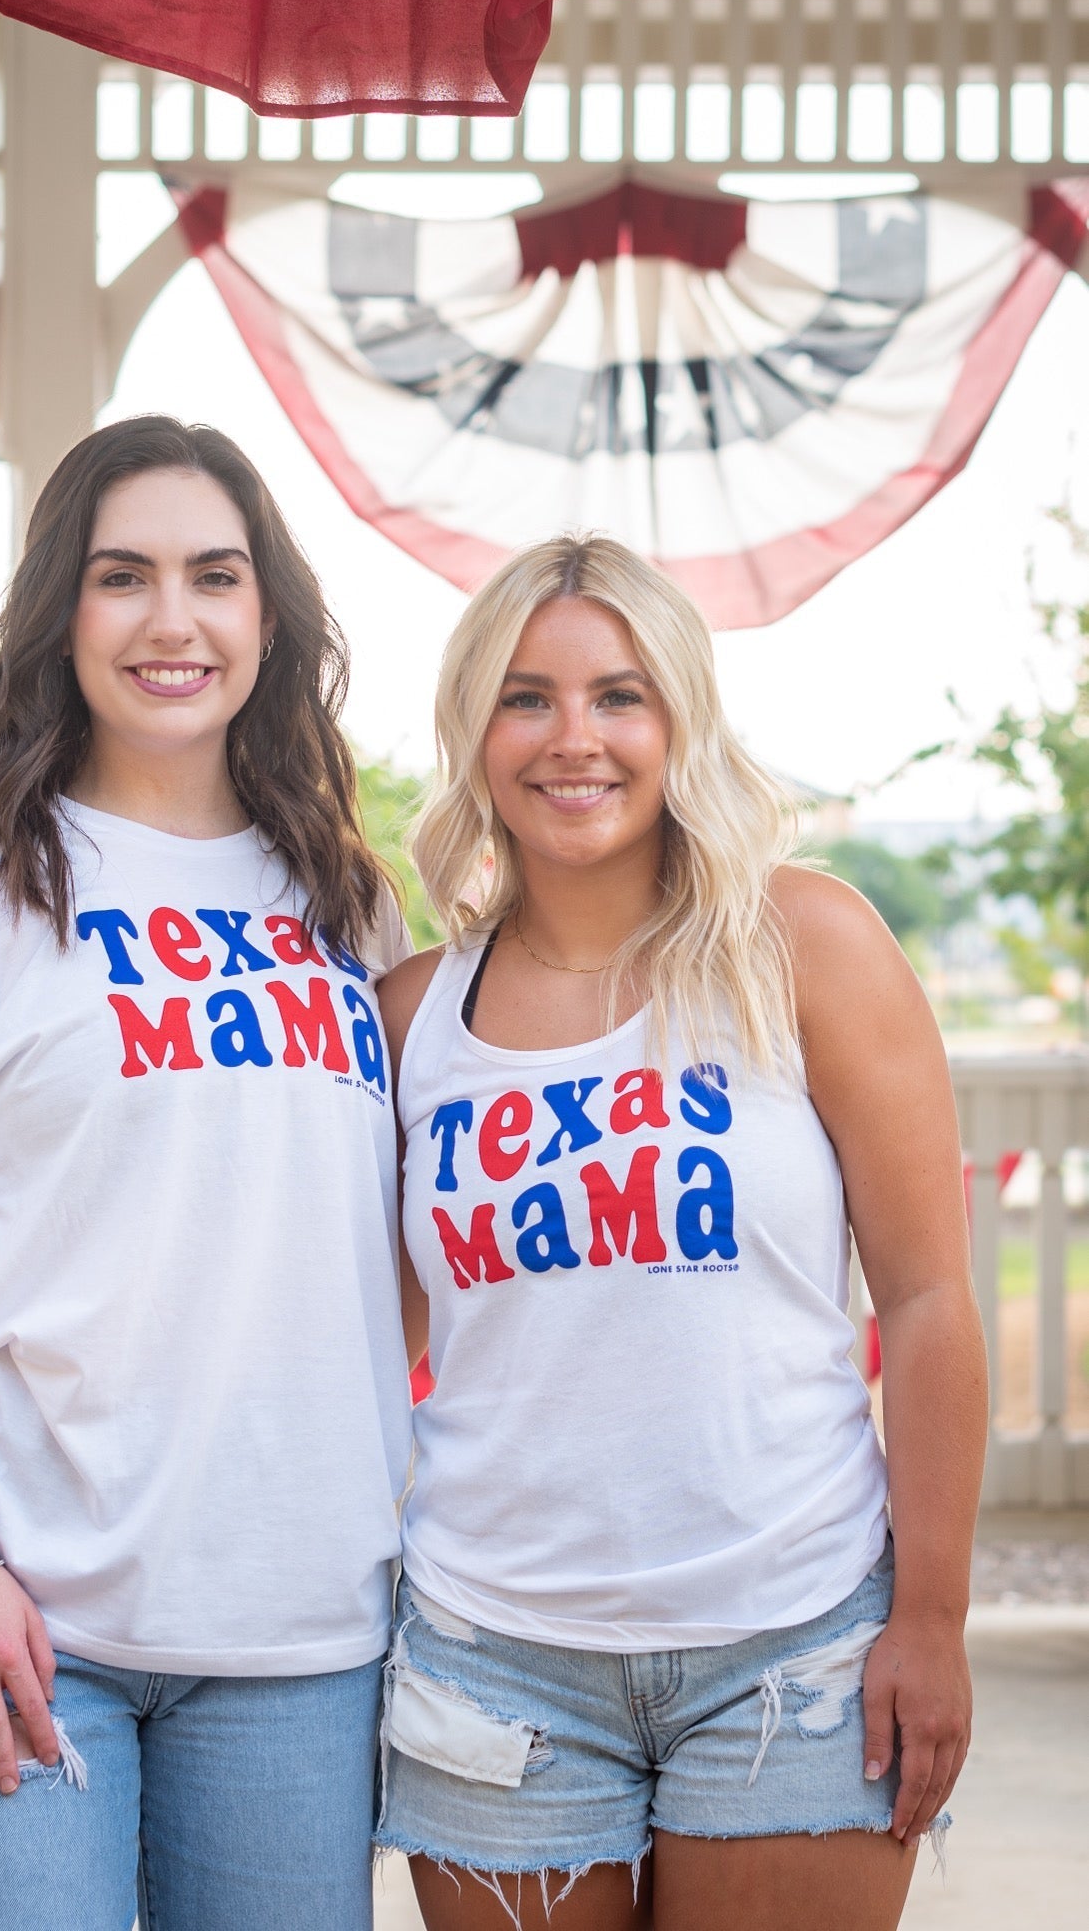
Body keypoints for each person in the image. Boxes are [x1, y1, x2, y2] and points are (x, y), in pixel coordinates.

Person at [0, 416, 412, 1931]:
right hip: (16, 1609)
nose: (171, 621)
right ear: (58, 614)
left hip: (293, 1628)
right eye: (120, 577)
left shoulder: (346, 897)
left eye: (214, 576)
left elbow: (391, 1244)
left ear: (265, 618)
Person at [373, 536, 987, 1931]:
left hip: (791, 1645)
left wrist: (932, 1619)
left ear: (679, 724)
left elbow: (929, 1300)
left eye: (619, 697)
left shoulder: (802, 945)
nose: (571, 738)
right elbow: (359, 1345)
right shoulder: (413, 1019)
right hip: (492, 1662)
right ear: (473, 728)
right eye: (525, 697)